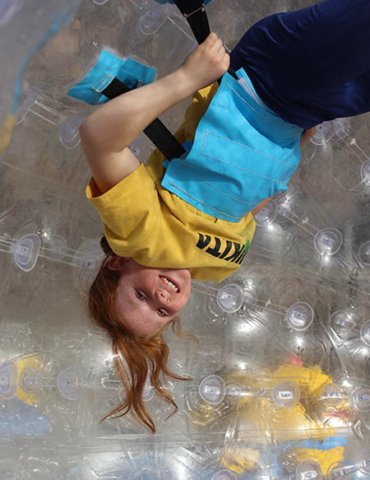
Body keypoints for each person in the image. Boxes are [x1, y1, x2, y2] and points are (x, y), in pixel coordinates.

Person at [79, 0, 370, 432]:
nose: (163, 297)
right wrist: (295, 146)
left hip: (269, 78)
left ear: (117, 264)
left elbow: (98, 137)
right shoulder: (215, 267)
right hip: (302, 110)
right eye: (164, 314)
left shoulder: (138, 235)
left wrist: (187, 78)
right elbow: (248, 198)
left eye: (142, 297)